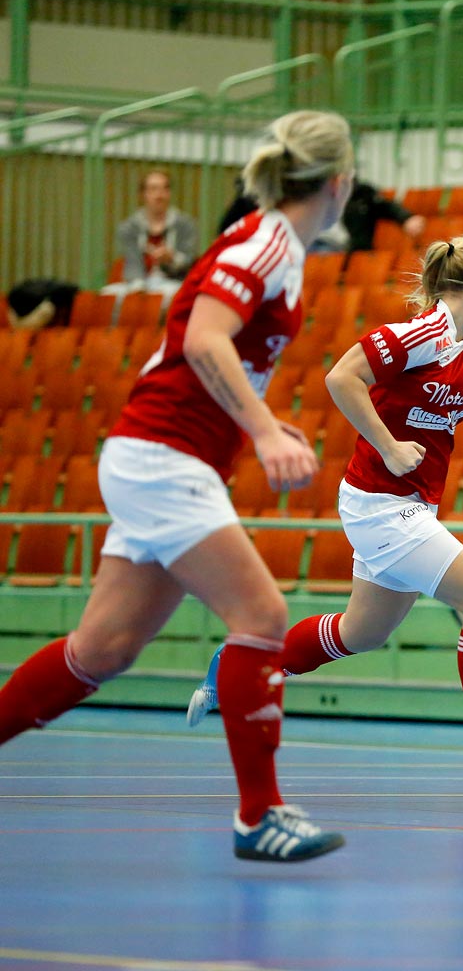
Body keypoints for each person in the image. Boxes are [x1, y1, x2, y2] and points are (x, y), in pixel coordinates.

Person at [0, 110, 356, 862]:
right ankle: (258, 815)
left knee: (104, 647)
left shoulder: (279, 247)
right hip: (162, 454)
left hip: (167, 454)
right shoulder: (264, 243)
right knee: (261, 612)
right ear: (338, 182)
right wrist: (261, 431)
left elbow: (210, 341)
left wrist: (260, 421)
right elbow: (200, 338)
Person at [186, 233, 463, 785]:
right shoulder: (424, 335)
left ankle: (242, 664)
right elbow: (342, 377)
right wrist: (389, 447)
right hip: (380, 503)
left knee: (361, 632)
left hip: (411, 505)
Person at [222, 178, 425, 255]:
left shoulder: (360, 192)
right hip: (307, 243)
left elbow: (386, 206)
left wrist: (407, 218)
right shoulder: (308, 194)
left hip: (342, 250)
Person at [106, 169, 200, 300]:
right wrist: (138, 289)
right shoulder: (129, 227)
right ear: (143, 194)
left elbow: (189, 261)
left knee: (169, 295)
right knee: (109, 294)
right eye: (153, 189)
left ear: (169, 193)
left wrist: (171, 258)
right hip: (139, 281)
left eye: (164, 189)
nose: (159, 195)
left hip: (173, 281)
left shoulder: (185, 225)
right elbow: (132, 262)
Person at [309, 180, 427, 254]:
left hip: (352, 250)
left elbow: (387, 207)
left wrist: (406, 218)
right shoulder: (315, 195)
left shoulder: (362, 194)